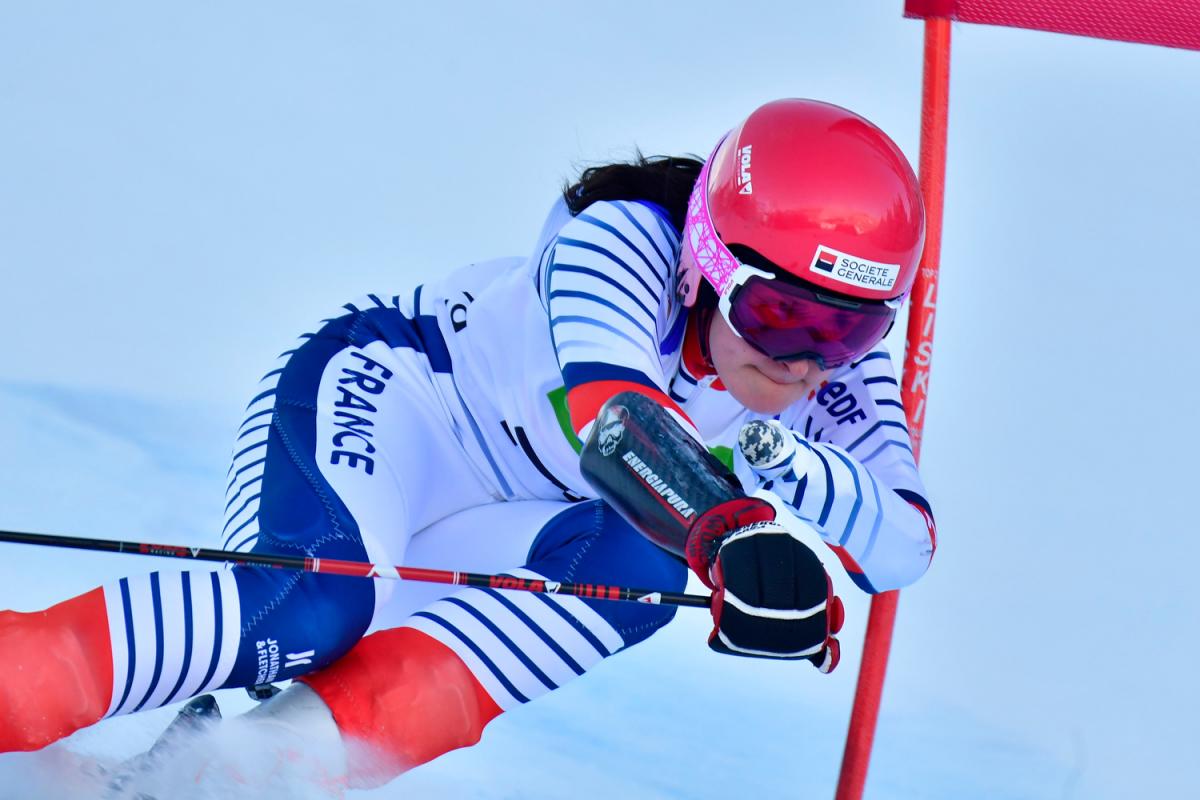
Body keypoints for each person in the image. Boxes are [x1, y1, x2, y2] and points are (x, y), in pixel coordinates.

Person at [0, 98, 936, 790]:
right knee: (306, 612)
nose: (810, 361)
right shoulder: (626, 240)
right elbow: (610, 417)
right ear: (708, 260)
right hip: (400, 411)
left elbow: (902, 545)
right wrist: (731, 527)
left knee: (639, 573)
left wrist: (788, 466)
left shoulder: (826, 374)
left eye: (850, 334)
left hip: (522, 518)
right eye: (779, 314)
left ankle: (237, 773)